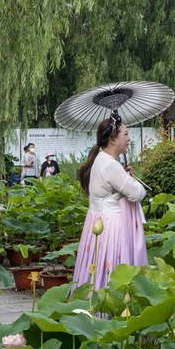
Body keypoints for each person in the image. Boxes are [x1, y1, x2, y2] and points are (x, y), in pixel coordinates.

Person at [71, 117, 147, 291]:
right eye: (125, 134)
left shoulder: (101, 159)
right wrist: (131, 180)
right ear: (113, 139)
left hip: (98, 220)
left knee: (97, 268)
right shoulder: (111, 165)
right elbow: (137, 193)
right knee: (112, 269)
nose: (128, 139)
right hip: (111, 225)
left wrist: (124, 175)